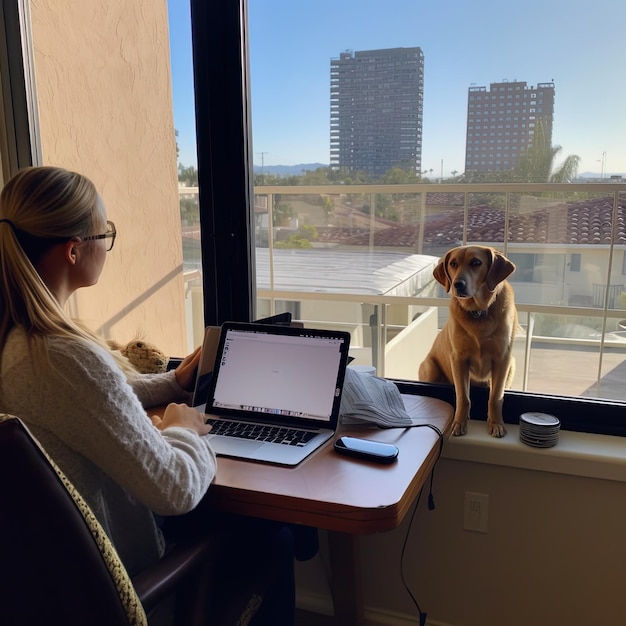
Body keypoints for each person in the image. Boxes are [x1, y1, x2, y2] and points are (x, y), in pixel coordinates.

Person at [0, 166, 295, 624]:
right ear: (74, 250)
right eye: (106, 233)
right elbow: (174, 489)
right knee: (274, 534)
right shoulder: (62, 355)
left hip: (48, 585)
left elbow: (93, 398)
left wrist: (177, 383)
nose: (108, 245)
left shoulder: (20, 340)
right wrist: (183, 430)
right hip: (121, 590)